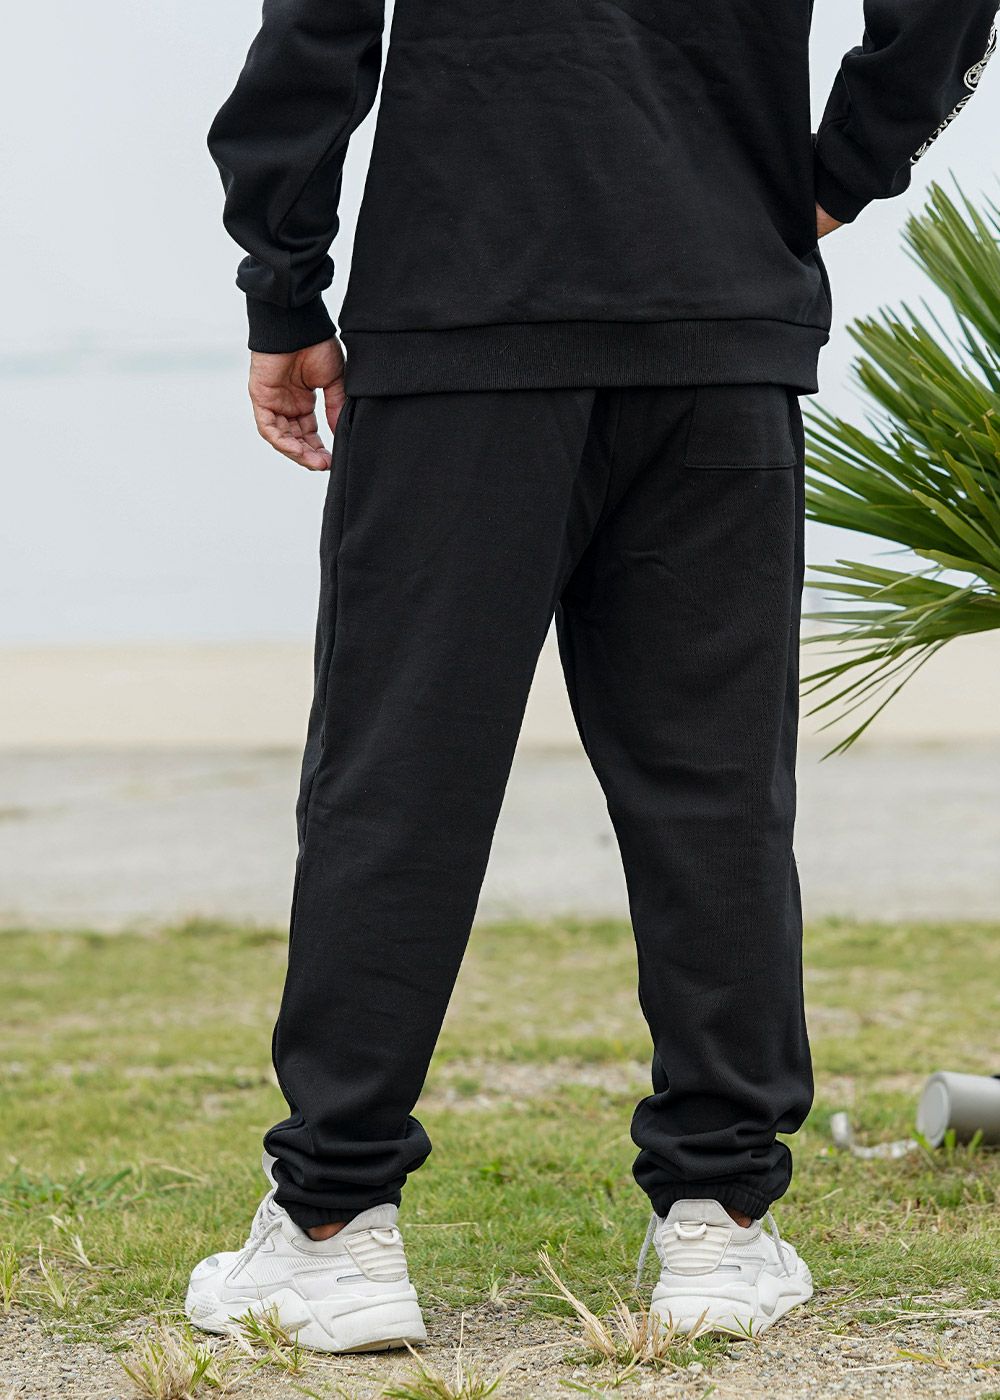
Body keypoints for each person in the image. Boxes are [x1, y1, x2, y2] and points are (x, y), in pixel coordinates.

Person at [186, 0, 998, 1354]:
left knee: (399, 784)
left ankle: (333, 1230)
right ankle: (720, 1223)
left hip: (464, 309)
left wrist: (284, 280)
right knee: (714, 793)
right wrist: (841, 169)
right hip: (715, 318)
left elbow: (317, 24)